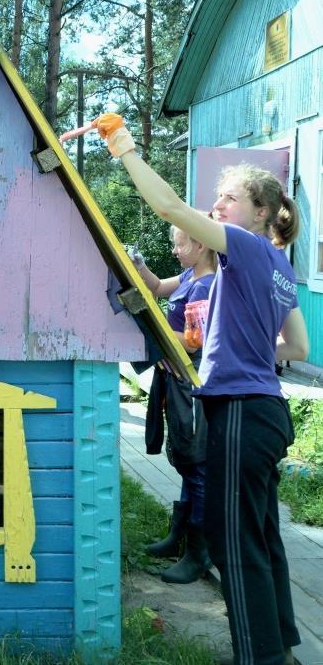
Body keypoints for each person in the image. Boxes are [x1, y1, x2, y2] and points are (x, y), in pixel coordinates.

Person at [96, 113, 308, 665]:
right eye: (217, 198)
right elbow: (299, 349)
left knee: (234, 543)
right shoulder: (279, 266)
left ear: (261, 213)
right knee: (263, 536)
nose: (218, 206)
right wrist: (251, 355)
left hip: (240, 411)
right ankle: (278, 648)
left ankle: (257, 658)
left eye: (229, 198)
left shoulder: (244, 244)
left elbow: (169, 208)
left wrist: (124, 149)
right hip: (263, 409)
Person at [131, 227, 215, 584]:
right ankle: (178, 536)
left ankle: (199, 553)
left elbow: (195, 342)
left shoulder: (206, 286)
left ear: (200, 244)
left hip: (191, 384)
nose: (175, 249)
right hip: (175, 380)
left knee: (196, 465)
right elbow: (158, 288)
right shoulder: (189, 275)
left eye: (180, 243)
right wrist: (139, 264)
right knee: (184, 458)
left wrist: (150, 327)